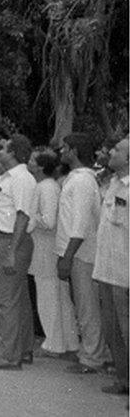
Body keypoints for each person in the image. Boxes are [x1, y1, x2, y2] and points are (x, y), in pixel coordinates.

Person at [0, 135, 37, 370]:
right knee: (18, 299)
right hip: (3, 240)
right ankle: (22, 348)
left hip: (10, 242)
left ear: (13, 152)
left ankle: (9, 355)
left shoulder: (22, 179)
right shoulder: (7, 177)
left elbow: (22, 216)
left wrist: (12, 251)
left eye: (2, 148)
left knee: (7, 302)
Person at [56, 132, 108, 374]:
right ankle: (90, 351)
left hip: (82, 254)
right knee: (83, 306)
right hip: (75, 253)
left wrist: (67, 256)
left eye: (65, 147)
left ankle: (92, 358)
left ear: (75, 151)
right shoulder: (75, 179)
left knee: (88, 308)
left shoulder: (82, 181)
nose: (61, 151)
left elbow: (80, 224)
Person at [24, 148, 79, 358]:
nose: (28, 163)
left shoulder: (46, 188)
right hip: (43, 246)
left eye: (31, 160)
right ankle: (67, 342)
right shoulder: (46, 186)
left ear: (40, 167)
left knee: (49, 296)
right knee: (57, 296)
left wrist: (31, 216)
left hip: (45, 246)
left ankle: (54, 343)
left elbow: (49, 221)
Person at [94, 136, 129, 395]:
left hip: (125, 272)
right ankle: (124, 379)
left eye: (116, 150)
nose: (111, 152)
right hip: (106, 269)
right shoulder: (113, 184)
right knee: (113, 330)